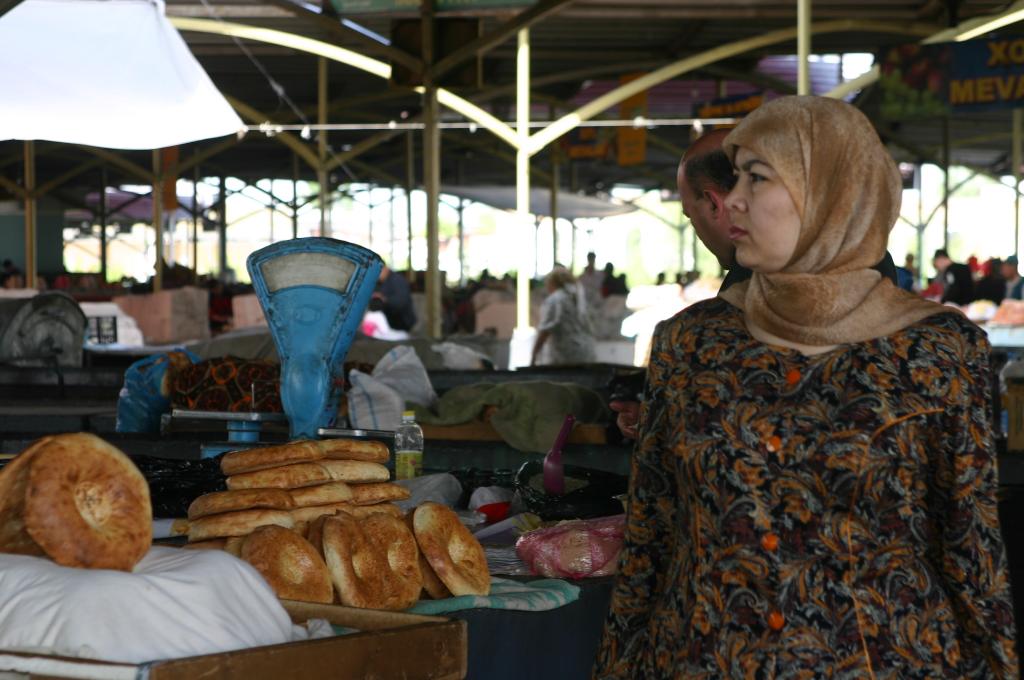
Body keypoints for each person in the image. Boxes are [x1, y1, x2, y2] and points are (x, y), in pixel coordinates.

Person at [595, 96, 1017, 678]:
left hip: (886, 662)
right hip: (705, 659)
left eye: (758, 178)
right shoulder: (691, 344)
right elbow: (651, 536)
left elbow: (973, 553)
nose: (734, 199)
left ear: (830, 192)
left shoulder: (938, 351)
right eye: (735, 178)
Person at [530, 266, 595, 366]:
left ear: (552, 282)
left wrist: (534, 355)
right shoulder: (579, 298)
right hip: (586, 353)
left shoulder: (554, 300)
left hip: (565, 356)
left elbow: (545, 331)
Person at [372, 264, 416, 332]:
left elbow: (401, 301)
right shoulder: (378, 283)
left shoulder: (397, 280)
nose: (376, 274)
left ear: (385, 269)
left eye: (378, 271)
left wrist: (384, 299)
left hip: (402, 322)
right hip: (387, 322)